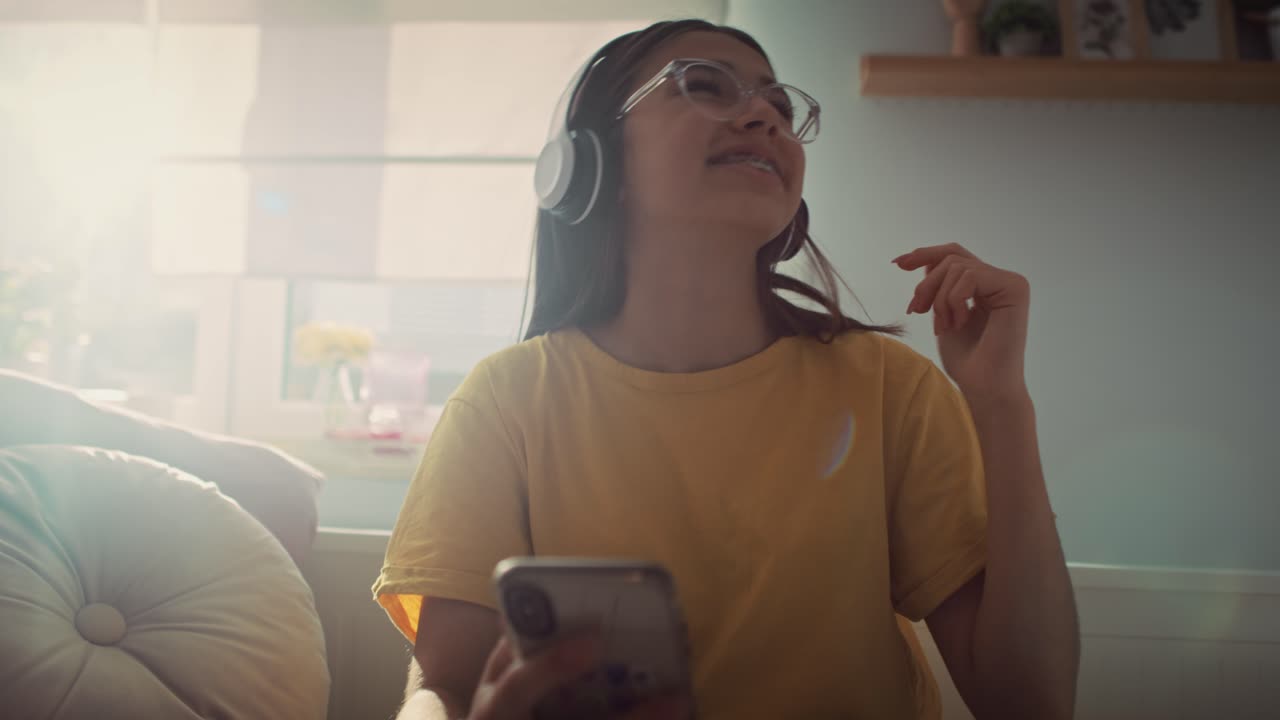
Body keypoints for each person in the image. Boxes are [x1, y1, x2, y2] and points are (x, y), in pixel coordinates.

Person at [373, 19, 1078, 720]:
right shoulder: (504, 400)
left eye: (781, 106)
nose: (764, 116)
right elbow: (443, 688)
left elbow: (1032, 701)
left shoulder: (893, 389)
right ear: (594, 164)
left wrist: (1001, 405)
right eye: (704, 85)